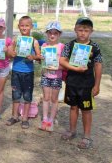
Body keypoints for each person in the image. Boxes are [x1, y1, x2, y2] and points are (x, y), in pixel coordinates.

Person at [60, 17, 102, 149]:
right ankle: (72, 131)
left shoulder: (94, 47)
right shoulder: (70, 45)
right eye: (80, 30)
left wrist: (97, 85)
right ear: (75, 30)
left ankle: (87, 137)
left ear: (91, 31)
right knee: (73, 107)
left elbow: (98, 65)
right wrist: (74, 68)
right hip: (72, 83)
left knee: (86, 110)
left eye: (86, 30)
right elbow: (62, 60)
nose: (82, 33)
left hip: (87, 85)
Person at [6, 15, 41, 129]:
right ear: (18, 27)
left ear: (31, 27)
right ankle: (14, 116)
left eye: (27, 25)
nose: (24, 28)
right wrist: (11, 53)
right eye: (22, 25)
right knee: (15, 95)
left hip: (28, 72)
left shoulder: (34, 42)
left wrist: (34, 57)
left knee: (27, 96)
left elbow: (39, 56)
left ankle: (25, 118)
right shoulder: (16, 39)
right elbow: (10, 49)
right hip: (16, 71)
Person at [38, 21, 64, 132]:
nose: (52, 35)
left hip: (57, 77)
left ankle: (51, 120)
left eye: (55, 33)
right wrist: (40, 59)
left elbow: (65, 64)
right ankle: (44, 119)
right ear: (47, 34)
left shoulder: (62, 47)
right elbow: (41, 62)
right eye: (50, 33)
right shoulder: (44, 45)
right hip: (45, 76)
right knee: (46, 98)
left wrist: (57, 68)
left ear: (59, 35)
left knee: (54, 99)